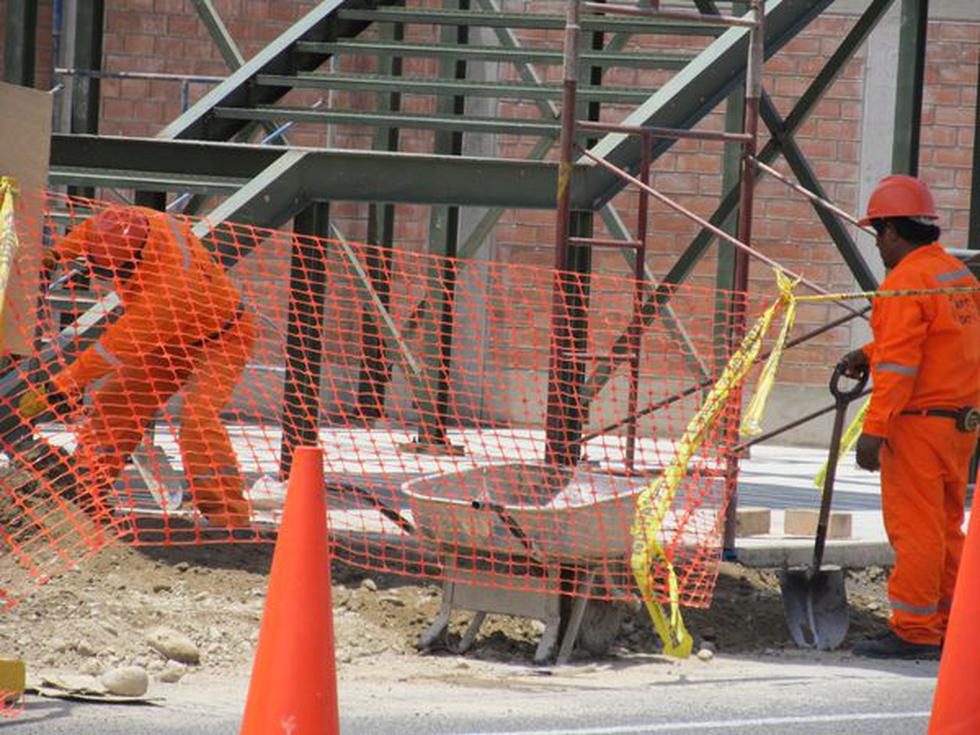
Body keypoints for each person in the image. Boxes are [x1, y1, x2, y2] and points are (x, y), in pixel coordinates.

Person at [18, 205, 256, 528]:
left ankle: (228, 516)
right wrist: (59, 253)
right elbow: (92, 230)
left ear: (134, 260)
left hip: (221, 338)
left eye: (115, 270)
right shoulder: (136, 221)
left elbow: (111, 349)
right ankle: (86, 498)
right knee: (115, 404)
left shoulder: (166, 293)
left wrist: (62, 384)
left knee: (198, 420)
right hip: (171, 338)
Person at [840, 175, 980, 659]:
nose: (878, 244)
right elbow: (938, 341)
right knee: (946, 527)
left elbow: (900, 367)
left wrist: (873, 432)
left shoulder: (904, 283)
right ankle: (951, 627)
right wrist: (867, 352)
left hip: (917, 426)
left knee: (915, 529)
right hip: (959, 425)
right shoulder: (956, 277)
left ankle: (915, 631)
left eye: (878, 233)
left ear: (894, 231)